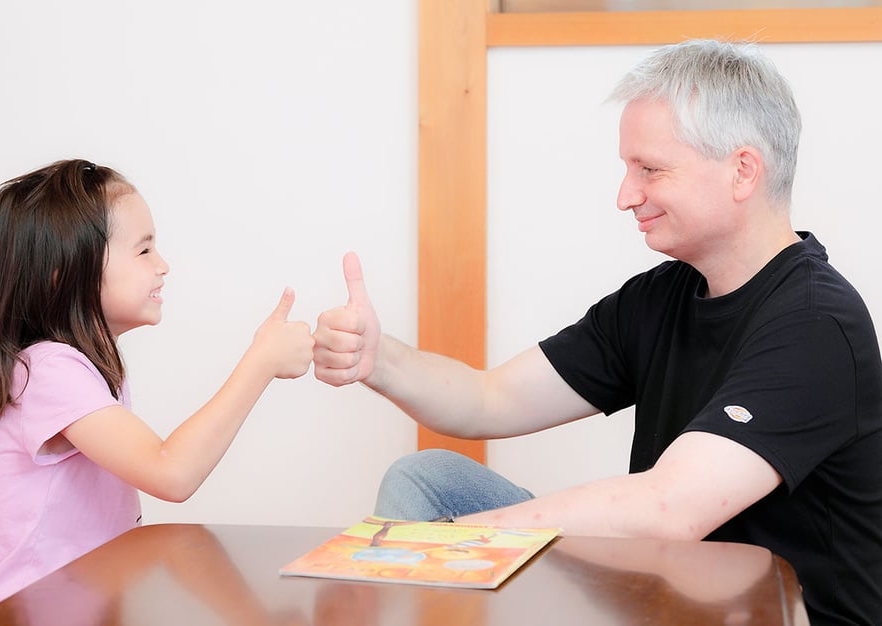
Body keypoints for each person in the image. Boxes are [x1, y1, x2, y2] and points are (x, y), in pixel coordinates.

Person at [312, 39, 882, 625]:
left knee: (440, 527)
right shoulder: (659, 298)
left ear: (742, 171)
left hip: (773, 615)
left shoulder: (817, 324)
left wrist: (447, 544)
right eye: (627, 169)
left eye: (650, 169)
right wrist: (377, 359)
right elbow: (488, 399)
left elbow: (669, 508)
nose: (625, 196)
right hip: (663, 597)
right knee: (426, 479)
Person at [0, 159, 315, 614]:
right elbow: (172, 472)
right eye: (143, 251)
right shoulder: (46, 372)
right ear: (64, 273)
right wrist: (260, 362)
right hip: (24, 617)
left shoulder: (83, 368)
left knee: (184, 545)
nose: (162, 265)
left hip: (79, 610)